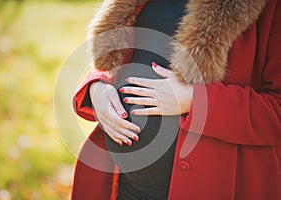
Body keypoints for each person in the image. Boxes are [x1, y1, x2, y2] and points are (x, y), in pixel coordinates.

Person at [72, 0, 281, 199]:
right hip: (125, 187)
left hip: (211, 188)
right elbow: (114, 62)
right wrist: (97, 87)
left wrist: (194, 100)